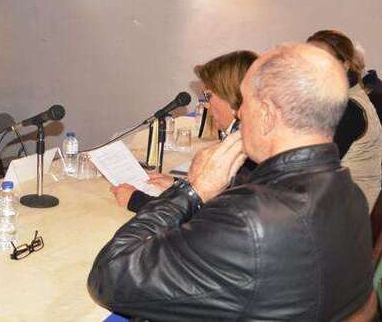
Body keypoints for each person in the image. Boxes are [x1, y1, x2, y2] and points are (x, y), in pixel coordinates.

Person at [88, 43, 373, 320]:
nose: (239, 113)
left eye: (245, 101)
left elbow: (111, 277)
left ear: (267, 115)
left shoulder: (248, 221)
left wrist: (191, 191)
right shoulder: (349, 192)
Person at [112, 50, 258, 212]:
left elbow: (213, 216)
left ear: (231, 97)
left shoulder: (246, 148)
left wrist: (136, 200)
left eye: (208, 96)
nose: (206, 105)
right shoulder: (248, 135)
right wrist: (182, 186)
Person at [308, 29, 382, 207]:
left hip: (352, 210)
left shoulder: (348, 107)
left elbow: (313, 167)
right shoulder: (341, 98)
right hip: (342, 202)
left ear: (345, 65)